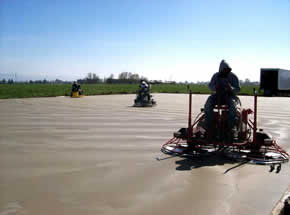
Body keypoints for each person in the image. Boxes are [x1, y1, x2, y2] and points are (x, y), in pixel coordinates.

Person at [204, 59, 241, 141]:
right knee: (208, 103)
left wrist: (231, 88)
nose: (226, 71)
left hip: (230, 96)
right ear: (221, 69)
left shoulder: (233, 76)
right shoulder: (215, 76)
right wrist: (215, 87)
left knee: (233, 106)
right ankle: (210, 126)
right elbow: (210, 86)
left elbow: (238, 89)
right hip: (218, 95)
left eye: (227, 70)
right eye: (224, 70)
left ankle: (230, 127)